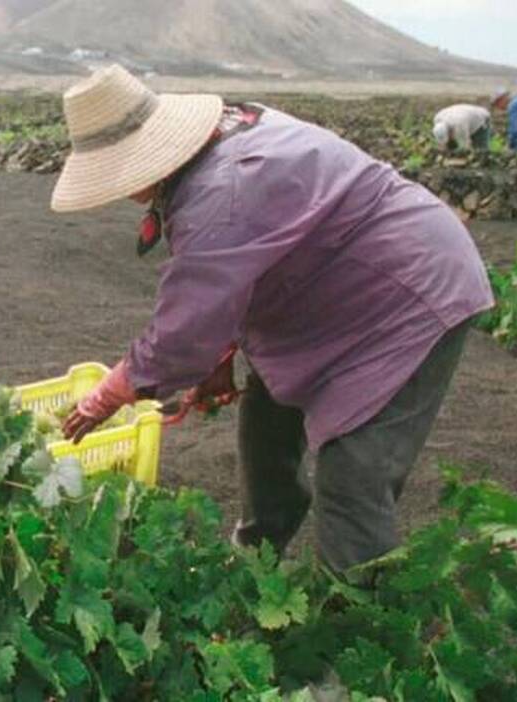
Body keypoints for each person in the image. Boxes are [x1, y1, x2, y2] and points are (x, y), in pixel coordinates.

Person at [51, 65, 494, 572]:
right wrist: (222, 357)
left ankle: (362, 618)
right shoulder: (227, 136)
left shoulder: (223, 190)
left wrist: (107, 396)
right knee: (266, 419)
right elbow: (244, 268)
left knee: (354, 474)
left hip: (405, 296)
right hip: (330, 296)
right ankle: (257, 558)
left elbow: (181, 334)